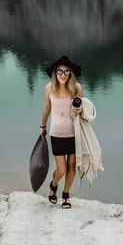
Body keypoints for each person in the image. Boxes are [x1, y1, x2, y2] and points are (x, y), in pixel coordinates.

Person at [39, 55, 83, 209]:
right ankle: (53, 184)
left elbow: (83, 109)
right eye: (60, 71)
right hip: (56, 133)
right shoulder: (49, 88)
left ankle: (65, 194)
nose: (63, 75)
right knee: (62, 169)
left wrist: (79, 109)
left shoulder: (76, 88)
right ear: (55, 73)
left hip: (74, 133)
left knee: (71, 167)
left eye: (66, 72)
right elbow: (47, 108)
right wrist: (42, 127)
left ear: (70, 74)